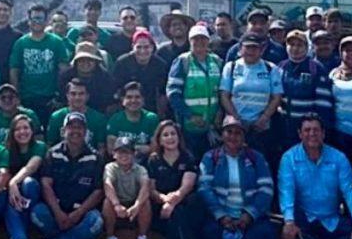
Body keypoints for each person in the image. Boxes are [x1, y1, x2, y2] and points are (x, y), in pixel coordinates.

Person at [279, 114, 352, 239]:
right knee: (290, 235)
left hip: (331, 219)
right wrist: (289, 222)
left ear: (323, 133)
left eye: (316, 130)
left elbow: (350, 192)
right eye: (307, 130)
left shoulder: (338, 158)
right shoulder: (289, 158)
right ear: (300, 134)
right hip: (305, 220)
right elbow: (286, 192)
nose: (312, 134)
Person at [196, 116, 279, 239]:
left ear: (243, 137)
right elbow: (204, 188)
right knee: (206, 232)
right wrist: (221, 216)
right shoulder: (210, 157)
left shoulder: (256, 158)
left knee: (268, 231)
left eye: (238, 133)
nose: (233, 136)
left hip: (249, 220)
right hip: (220, 219)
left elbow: (266, 189)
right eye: (229, 132)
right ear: (222, 135)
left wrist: (248, 215)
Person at [139, 120, 214, 239]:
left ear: (179, 137)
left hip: (182, 205)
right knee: (176, 214)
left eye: (173, 134)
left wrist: (172, 202)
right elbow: (151, 190)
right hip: (160, 209)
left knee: (190, 203)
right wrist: (164, 200)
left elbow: (186, 186)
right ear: (159, 139)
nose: (170, 137)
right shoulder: (153, 160)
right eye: (165, 135)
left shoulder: (187, 157)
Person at [29, 112, 104, 239]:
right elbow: (46, 185)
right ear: (63, 131)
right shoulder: (52, 154)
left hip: (81, 214)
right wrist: (58, 213)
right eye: (71, 127)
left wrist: (77, 215)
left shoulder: (96, 157)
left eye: (80, 127)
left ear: (86, 131)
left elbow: (98, 192)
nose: (75, 131)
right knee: (37, 212)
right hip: (56, 212)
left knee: (96, 221)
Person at [219, 32, 284, 164]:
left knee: (259, 163)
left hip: (261, 127)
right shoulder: (231, 67)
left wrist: (264, 118)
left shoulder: (271, 68)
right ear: (240, 49)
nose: (251, 51)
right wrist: (236, 119)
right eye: (247, 47)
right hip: (236, 126)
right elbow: (224, 95)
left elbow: (276, 97)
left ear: (261, 50)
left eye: (255, 48)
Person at [167, 24, 223, 159]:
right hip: (189, 128)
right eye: (195, 39)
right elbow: (173, 94)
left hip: (212, 126)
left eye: (203, 38)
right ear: (189, 41)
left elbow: (222, 91)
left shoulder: (217, 61)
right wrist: (190, 116)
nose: (199, 42)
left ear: (208, 41)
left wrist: (220, 111)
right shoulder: (182, 61)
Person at [9, 4, 70, 123]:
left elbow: (64, 71)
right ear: (29, 21)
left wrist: (60, 96)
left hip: (50, 98)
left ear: (46, 21)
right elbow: (14, 70)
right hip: (27, 98)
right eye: (34, 18)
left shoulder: (56, 42)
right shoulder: (21, 43)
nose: (37, 22)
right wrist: (16, 97)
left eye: (40, 18)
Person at [2, 114, 48, 239]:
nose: (22, 132)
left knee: (28, 183)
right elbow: (4, 173)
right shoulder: (6, 150)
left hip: (35, 193)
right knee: (10, 201)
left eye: (26, 128)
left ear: (32, 130)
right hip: (14, 194)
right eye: (17, 129)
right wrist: (11, 185)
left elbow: (31, 166)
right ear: (12, 133)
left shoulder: (39, 146)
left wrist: (13, 182)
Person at [278, 29, 333, 150]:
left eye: (299, 45)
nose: (295, 48)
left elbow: (323, 103)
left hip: (307, 128)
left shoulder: (315, 68)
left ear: (307, 47)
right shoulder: (280, 67)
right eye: (291, 44)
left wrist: (319, 127)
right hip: (284, 125)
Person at [101, 137, 152, 239]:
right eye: (120, 152)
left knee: (145, 202)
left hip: (134, 204)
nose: (124, 156)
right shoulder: (110, 167)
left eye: (128, 152)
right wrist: (117, 205)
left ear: (134, 154)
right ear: (114, 154)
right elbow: (107, 184)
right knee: (107, 202)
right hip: (117, 204)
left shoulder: (140, 169)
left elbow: (146, 185)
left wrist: (137, 205)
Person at [112, 30, 168, 116]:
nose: (142, 51)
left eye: (146, 47)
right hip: (126, 108)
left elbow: (163, 92)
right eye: (139, 47)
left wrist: (161, 113)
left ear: (152, 47)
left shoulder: (160, 65)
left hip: (151, 109)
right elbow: (116, 89)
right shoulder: (122, 63)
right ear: (132, 47)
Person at [46, 78, 108, 153]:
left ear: (87, 96)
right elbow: (50, 145)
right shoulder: (56, 117)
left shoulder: (99, 118)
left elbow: (101, 147)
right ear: (67, 96)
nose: (77, 97)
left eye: (81, 94)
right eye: (73, 93)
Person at [58, 42, 115, 113]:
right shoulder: (65, 76)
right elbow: (62, 99)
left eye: (90, 60)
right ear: (76, 62)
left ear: (95, 62)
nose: (85, 63)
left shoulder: (105, 78)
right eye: (81, 60)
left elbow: (108, 101)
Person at [106, 82, 159, 157]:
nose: (133, 101)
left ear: (143, 99)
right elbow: (111, 150)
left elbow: (156, 149)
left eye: (137, 97)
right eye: (129, 97)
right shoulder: (115, 119)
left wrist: (125, 148)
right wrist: (137, 148)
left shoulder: (152, 118)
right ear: (122, 100)